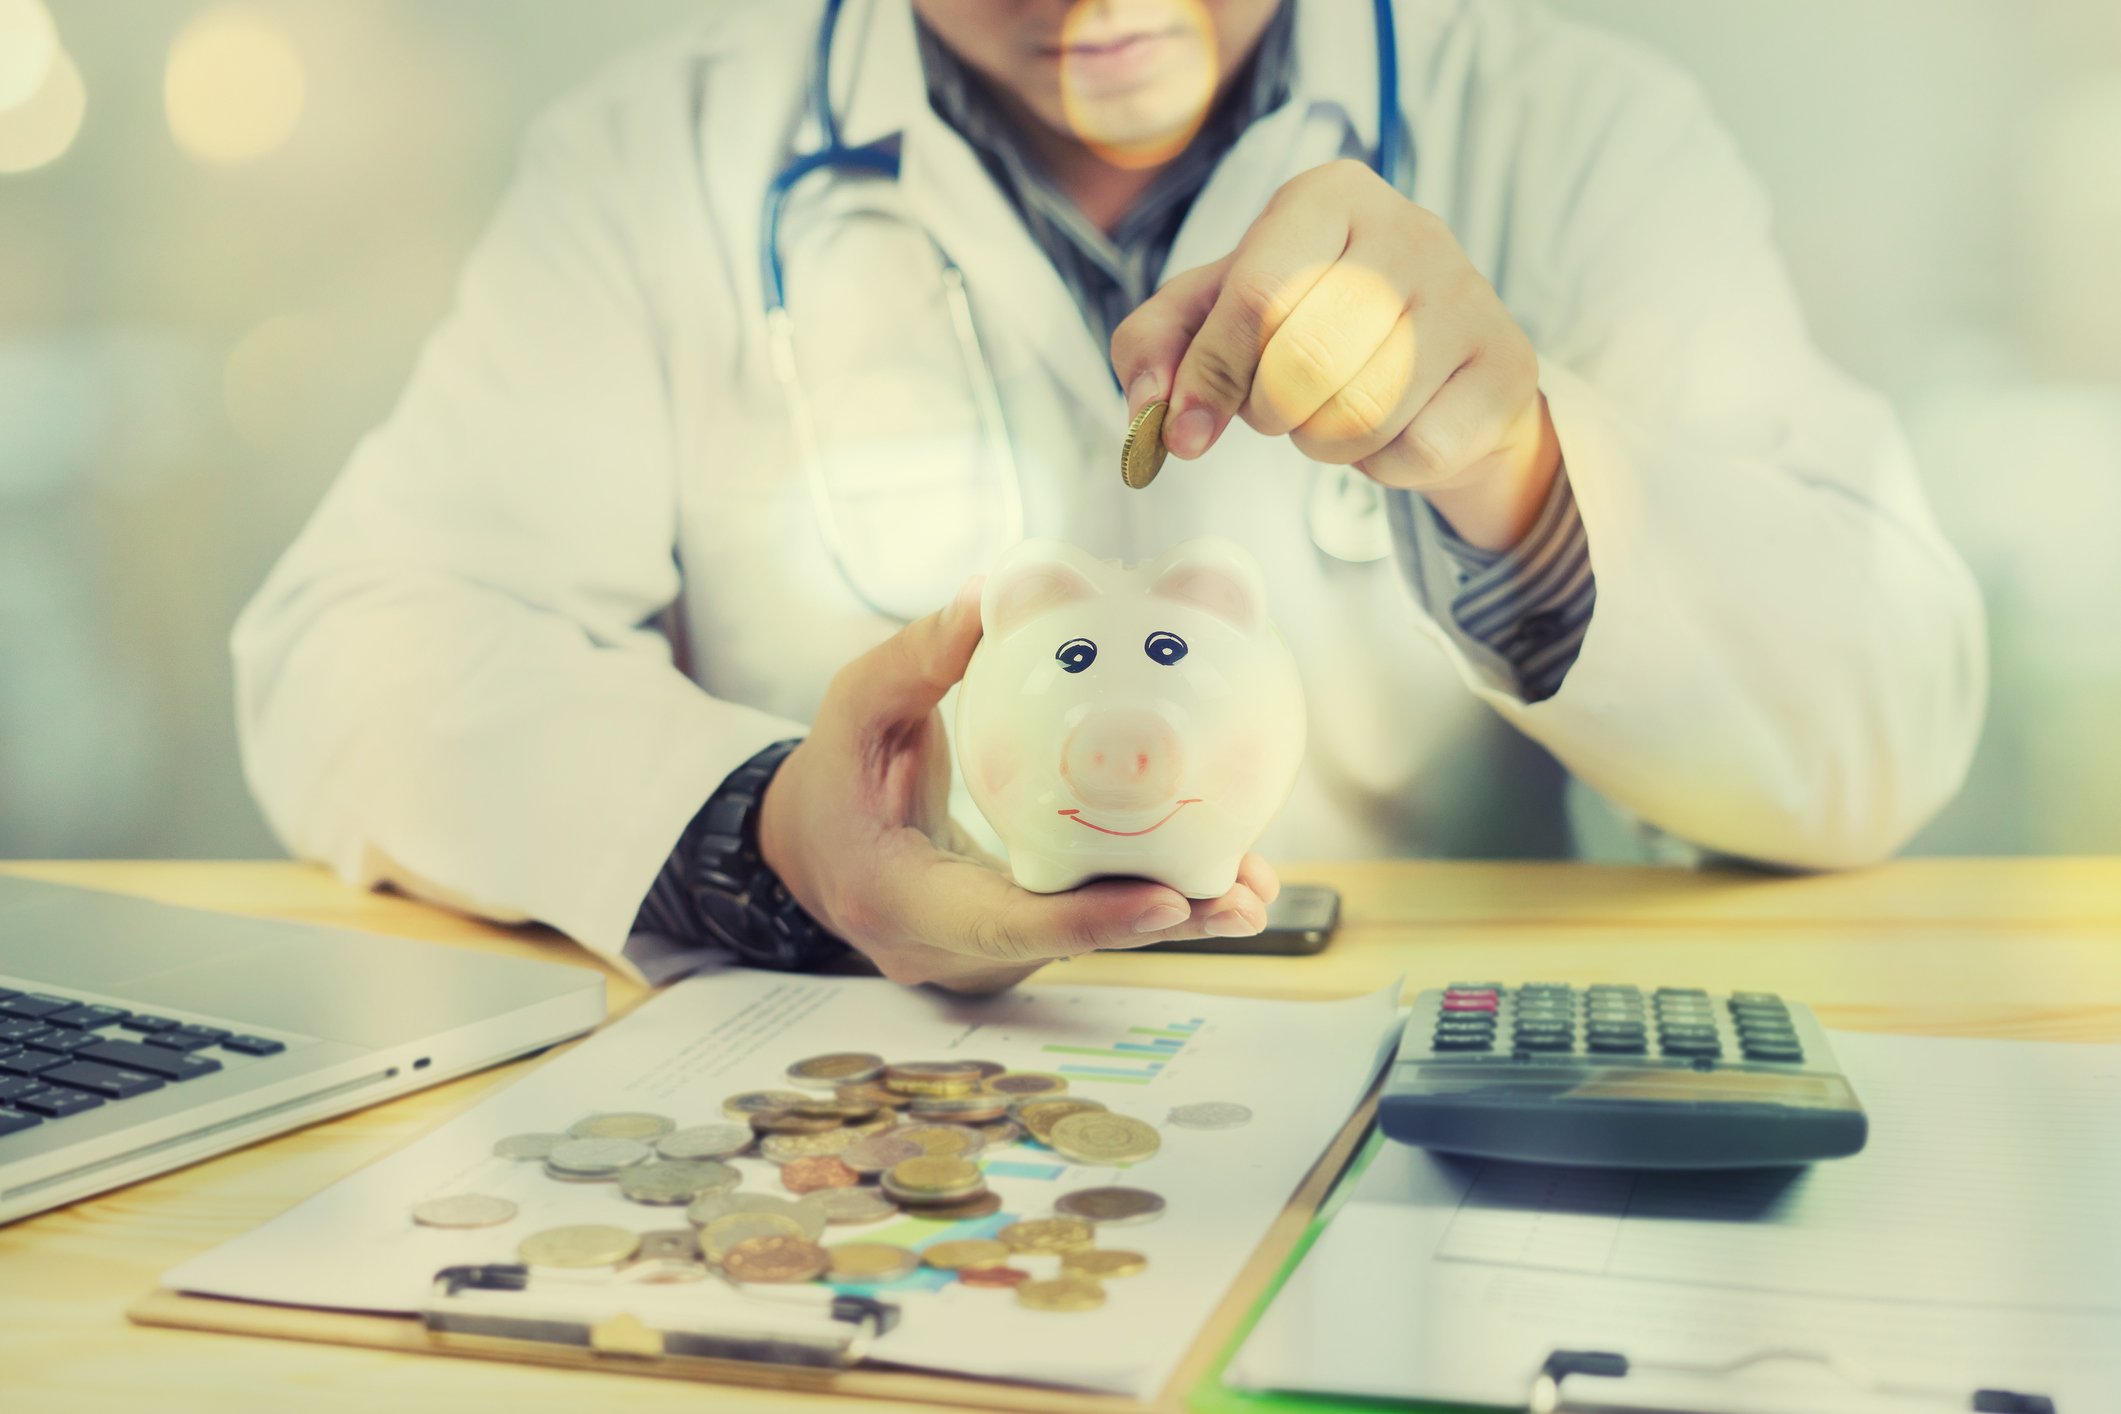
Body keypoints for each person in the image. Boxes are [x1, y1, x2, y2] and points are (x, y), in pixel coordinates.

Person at [233, 0, 1986, 993]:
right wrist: (776, 839)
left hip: (1405, 1128)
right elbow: (352, 649)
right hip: (879, 1134)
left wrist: (1512, 471)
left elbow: (1876, 725)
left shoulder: (1575, 130)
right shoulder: (657, 160)